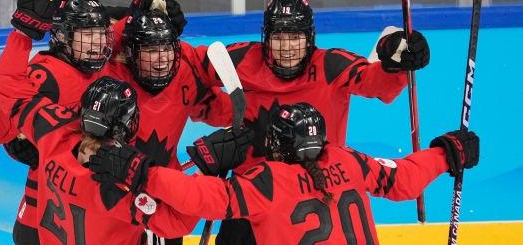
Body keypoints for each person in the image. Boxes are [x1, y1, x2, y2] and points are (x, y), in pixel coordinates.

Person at [178, 0, 431, 244]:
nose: (287, 48)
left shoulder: (331, 65)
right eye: (278, 37)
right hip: (251, 197)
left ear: (309, 38)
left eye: (295, 37)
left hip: (313, 194)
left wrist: (396, 63)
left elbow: (375, 84)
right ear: (266, 37)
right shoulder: (243, 59)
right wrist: (212, 107)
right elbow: (189, 66)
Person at [91, 102, 480, 245]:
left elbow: (205, 199)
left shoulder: (269, 179)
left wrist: (142, 172)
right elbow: (403, 181)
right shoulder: (346, 159)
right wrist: (446, 153)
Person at [0, 25, 201, 243]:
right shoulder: (119, 181)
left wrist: (23, 32)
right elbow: (176, 221)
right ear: (125, 125)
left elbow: (9, 85)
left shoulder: (50, 136)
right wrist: (206, 167)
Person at [0, 0, 115, 245]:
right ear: (63, 35)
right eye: (87, 33)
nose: (98, 42)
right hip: (47, 211)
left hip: (94, 207)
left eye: (100, 32)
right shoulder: (44, 74)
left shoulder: (103, 68)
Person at [103, 0, 234, 245]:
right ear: (129, 51)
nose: (162, 59)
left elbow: (227, 111)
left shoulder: (186, 75)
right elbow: (96, 45)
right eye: (151, 50)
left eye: (166, 48)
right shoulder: (108, 77)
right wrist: (136, 11)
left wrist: (245, 128)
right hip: (113, 199)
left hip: (166, 200)